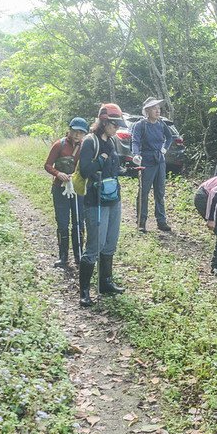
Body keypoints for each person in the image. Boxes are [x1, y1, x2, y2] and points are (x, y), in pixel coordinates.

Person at [77, 103, 128, 307]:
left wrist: (128, 170)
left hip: (113, 198)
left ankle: (105, 283)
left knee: (110, 243)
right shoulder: (90, 141)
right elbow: (85, 170)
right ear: (104, 121)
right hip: (95, 200)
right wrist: (102, 160)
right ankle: (84, 291)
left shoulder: (112, 141)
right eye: (114, 124)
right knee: (94, 246)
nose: (117, 128)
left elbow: (112, 169)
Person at [44, 117, 89, 268]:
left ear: (84, 134)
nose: (77, 135)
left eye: (81, 132)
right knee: (63, 223)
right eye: (75, 131)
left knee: (78, 222)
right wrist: (58, 173)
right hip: (59, 188)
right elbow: (48, 165)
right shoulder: (59, 145)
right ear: (69, 130)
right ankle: (63, 258)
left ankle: (79, 256)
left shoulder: (85, 147)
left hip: (78, 189)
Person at [131, 97, 173, 233]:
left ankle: (161, 221)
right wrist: (136, 154)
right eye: (154, 108)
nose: (157, 110)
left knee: (160, 192)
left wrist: (165, 148)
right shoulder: (140, 125)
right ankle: (141, 222)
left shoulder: (161, 124)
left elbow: (170, 137)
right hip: (147, 161)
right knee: (144, 192)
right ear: (147, 110)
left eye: (158, 108)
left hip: (160, 160)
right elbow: (135, 141)